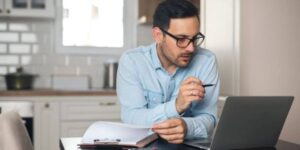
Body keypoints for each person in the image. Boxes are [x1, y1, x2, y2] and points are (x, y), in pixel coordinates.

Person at [117, 0, 220, 144]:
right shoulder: (132, 61)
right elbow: (132, 118)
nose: (191, 48)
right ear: (158, 35)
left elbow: (209, 118)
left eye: (195, 38)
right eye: (181, 39)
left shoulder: (206, 61)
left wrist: (187, 127)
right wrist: (176, 106)